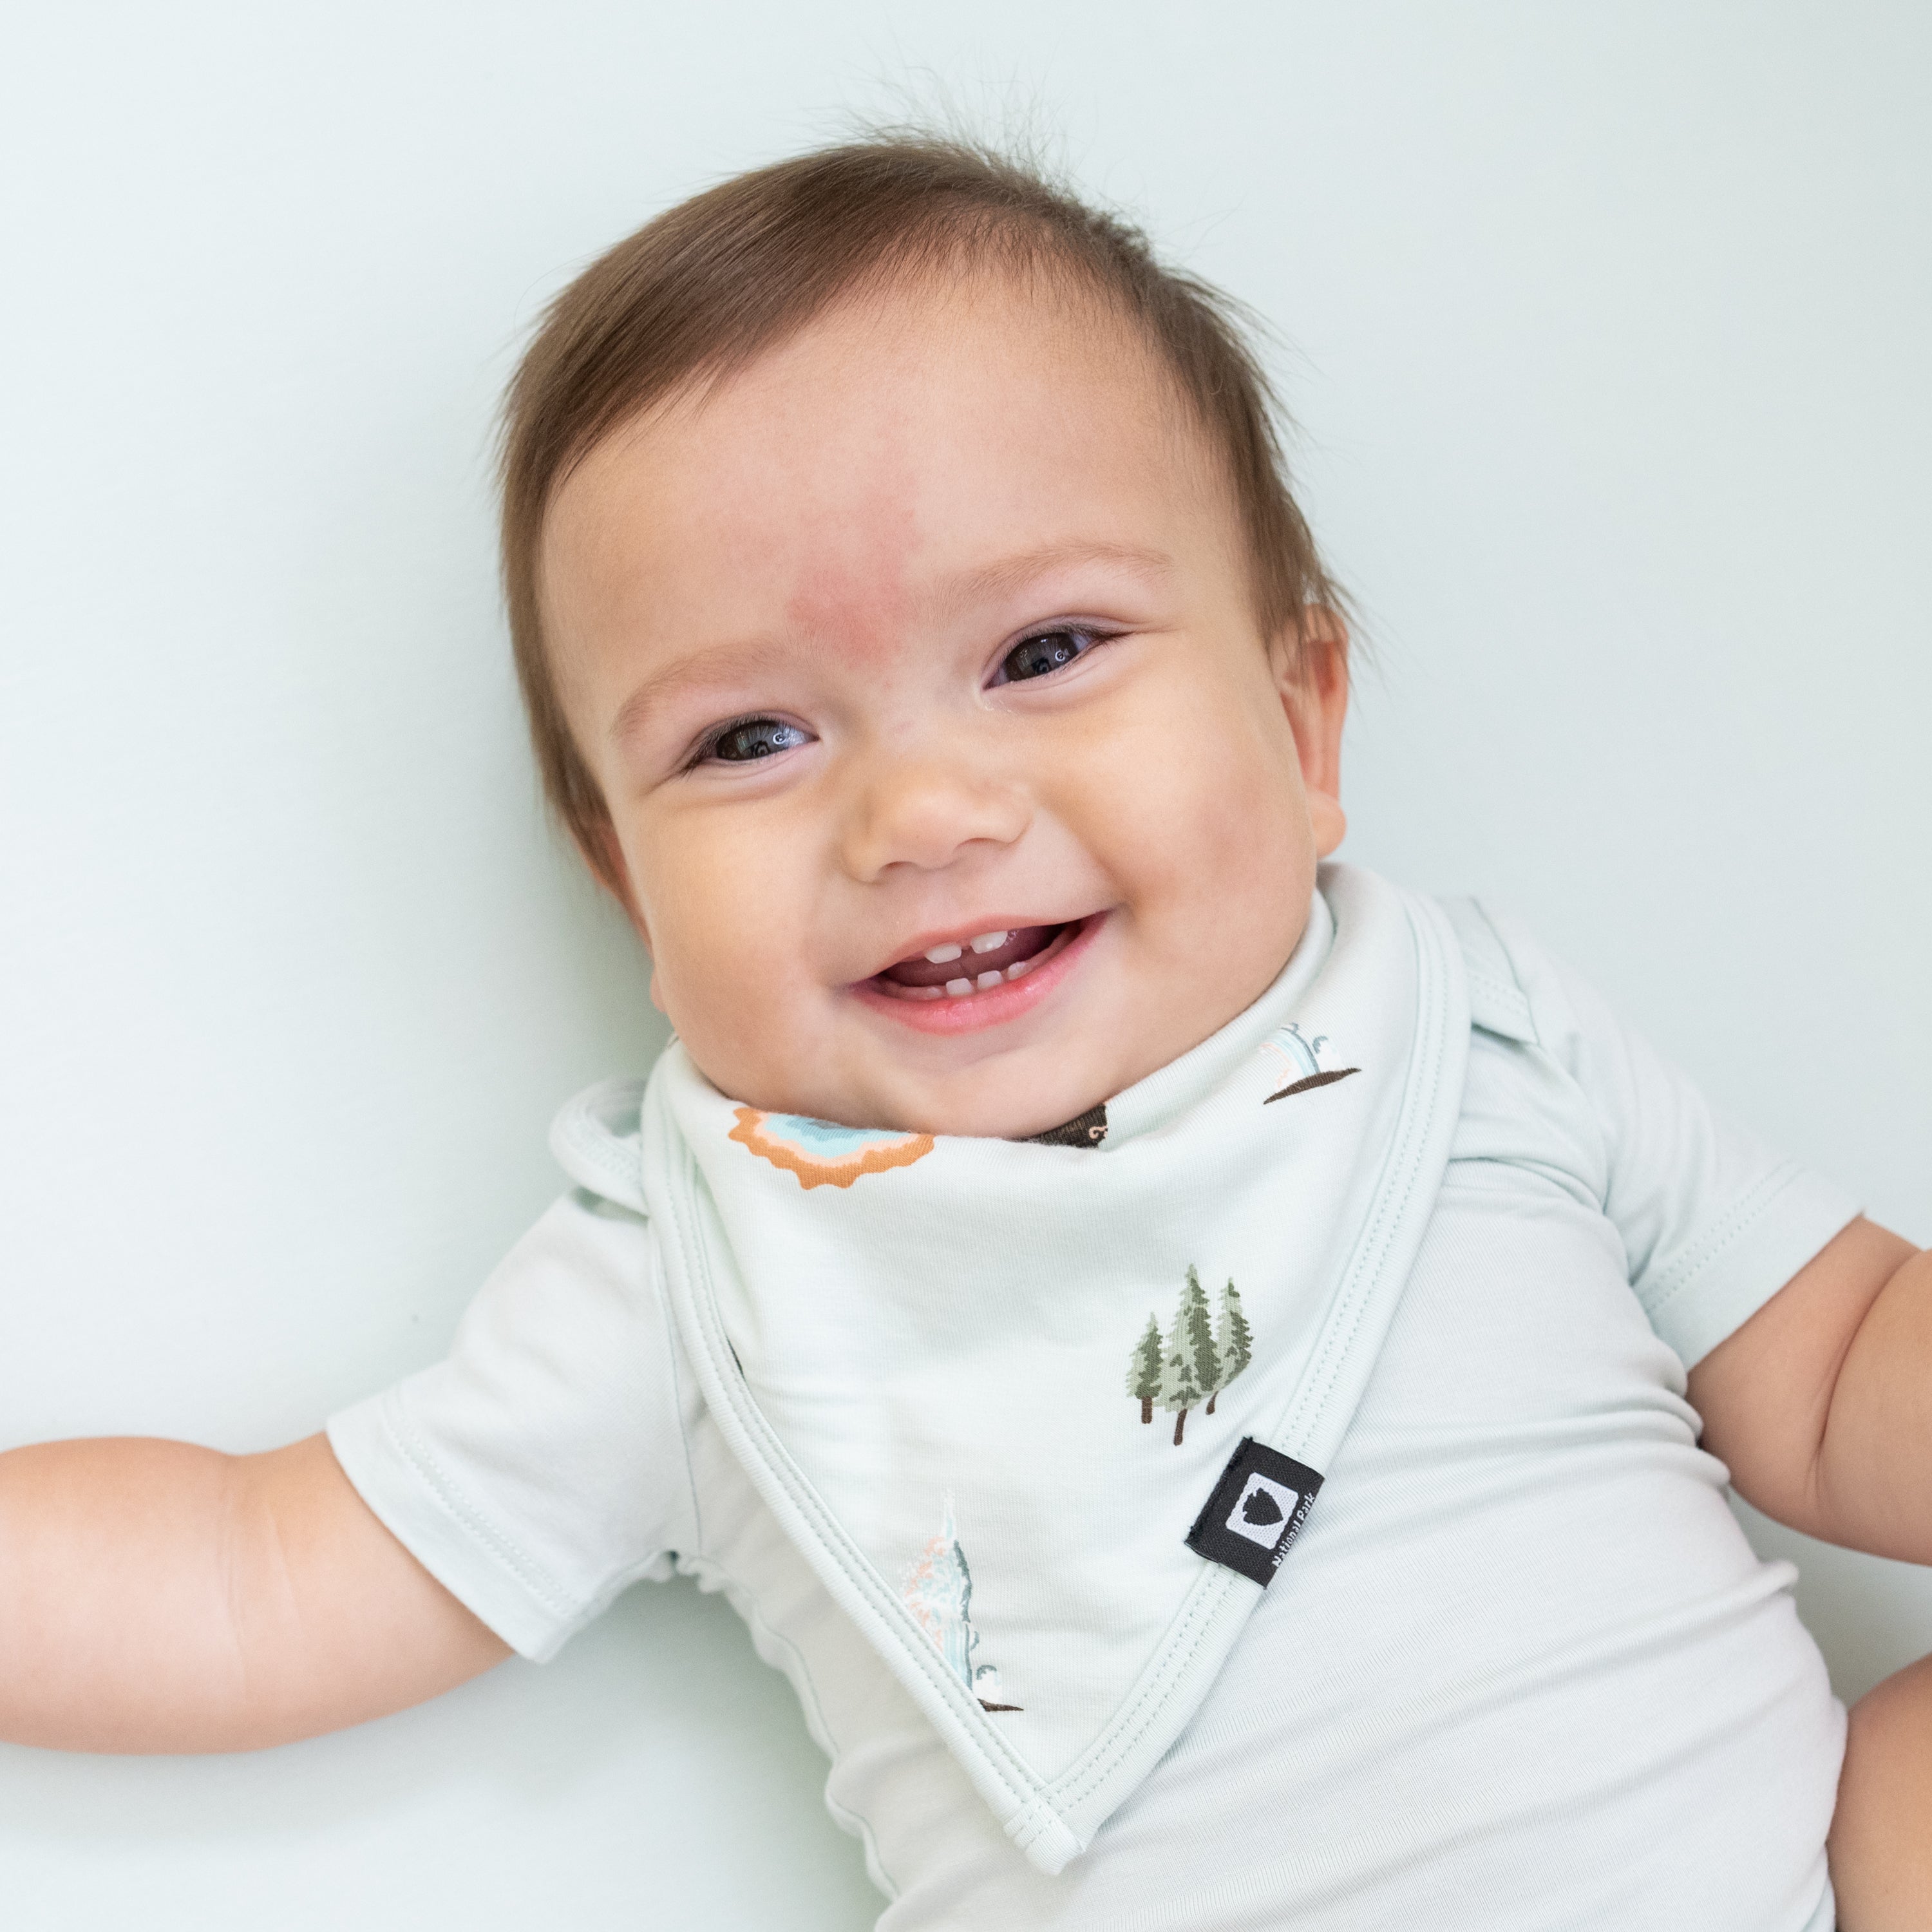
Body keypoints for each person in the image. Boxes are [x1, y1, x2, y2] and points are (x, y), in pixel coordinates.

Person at [1, 134, 1927, 1929]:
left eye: (1043, 652)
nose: (921, 814)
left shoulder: (1471, 1021)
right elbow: (257, 1578)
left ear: (1300, 720)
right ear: (633, 895)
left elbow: (1838, 1372)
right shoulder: (699, 1275)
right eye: (750, 738)